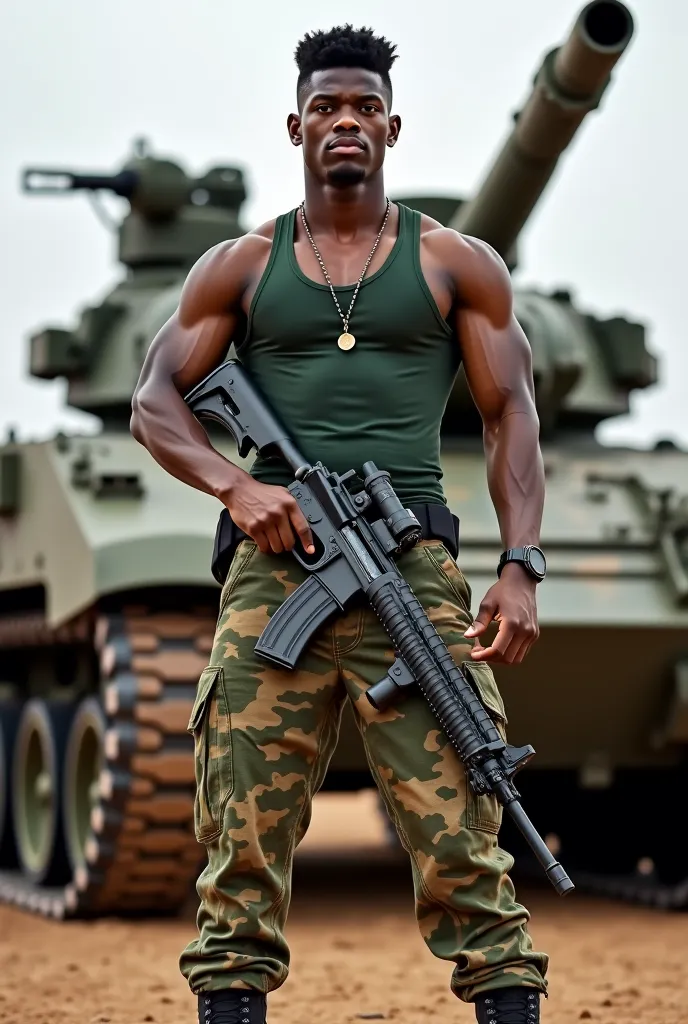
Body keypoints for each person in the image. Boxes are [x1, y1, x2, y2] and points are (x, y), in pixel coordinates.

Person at [130, 24, 550, 1024]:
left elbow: (510, 414)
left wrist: (521, 561)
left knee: (464, 827)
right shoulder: (239, 265)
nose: (346, 122)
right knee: (242, 832)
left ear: (390, 126)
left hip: (413, 570)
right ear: (296, 126)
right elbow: (155, 399)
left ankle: (506, 1001)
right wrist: (239, 488)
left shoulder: (455, 263)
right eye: (327, 107)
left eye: (363, 107)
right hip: (278, 572)